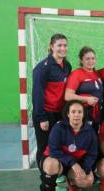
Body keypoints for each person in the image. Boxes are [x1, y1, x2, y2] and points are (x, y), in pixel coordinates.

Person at [39, 100, 97, 191]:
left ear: (83, 114)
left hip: (74, 165)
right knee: (52, 164)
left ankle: (71, 182)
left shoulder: (90, 131)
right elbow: (54, 151)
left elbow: (92, 154)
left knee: (88, 181)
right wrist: (73, 163)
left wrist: (84, 168)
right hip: (57, 162)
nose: (76, 115)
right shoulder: (58, 128)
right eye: (73, 112)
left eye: (79, 112)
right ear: (68, 114)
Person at [32, 33, 72, 167]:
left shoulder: (67, 66)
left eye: (65, 45)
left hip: (60, 113)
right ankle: (46, 177)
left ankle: (58, 173)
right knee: (45, 147)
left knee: (59, 145)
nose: (63, 48)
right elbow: (37, 94)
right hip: (46, 114)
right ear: (51, 46)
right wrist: (42, 117)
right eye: (59, 45)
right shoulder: (42, 68)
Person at [65, 46, 103, 132]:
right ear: (81, 60)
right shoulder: (76, 74)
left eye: (93, 58)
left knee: (93, 138)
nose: (91, 61)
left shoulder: (97, 74)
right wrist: (86, 99)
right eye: (87, 59)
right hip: (81, 114)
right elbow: (67, 96)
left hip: (96, 115)